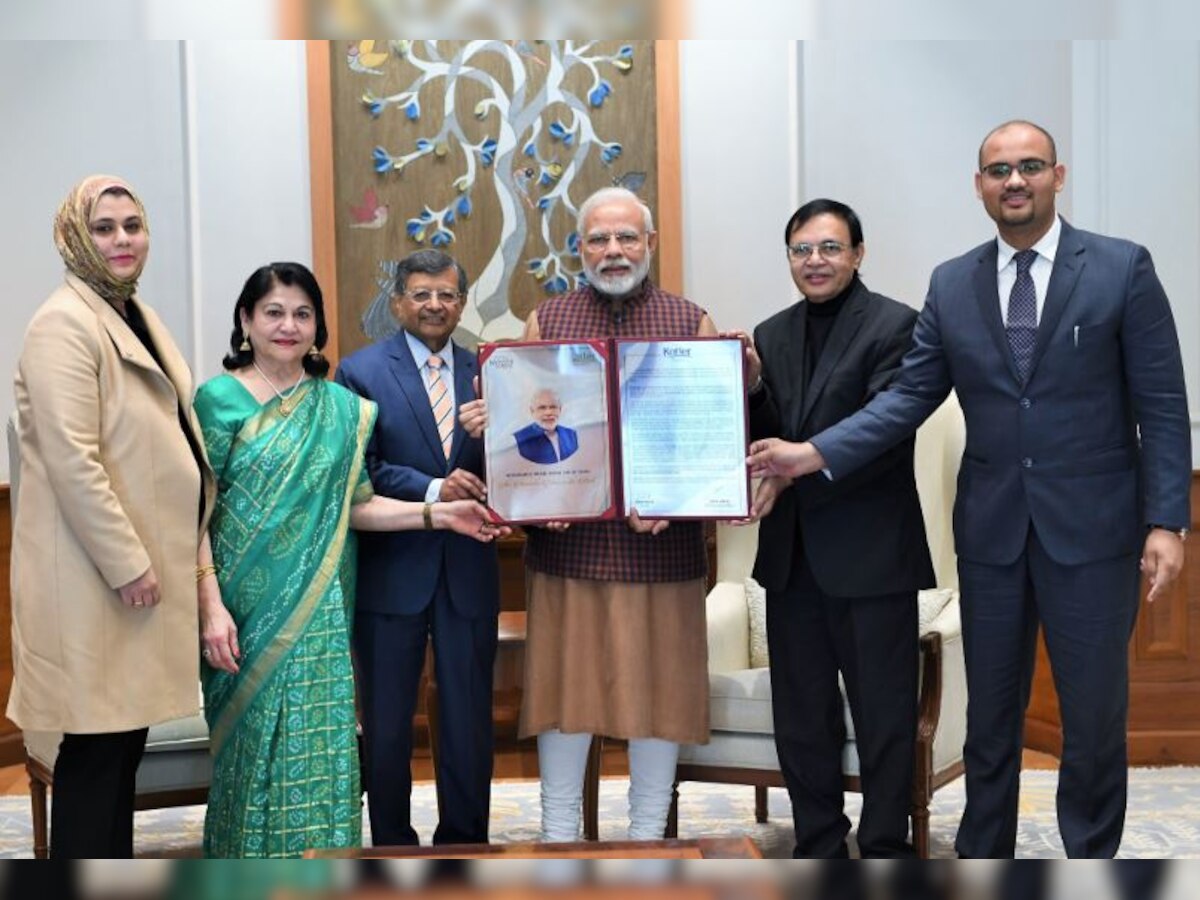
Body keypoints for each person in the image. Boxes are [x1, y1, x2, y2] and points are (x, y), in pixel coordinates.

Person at [748, 121, 1191, 858]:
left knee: (1091, 714)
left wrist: (1167, 521)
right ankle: (986, 854)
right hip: (990, 534)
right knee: (990, 715)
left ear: (1057, 175)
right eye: (997, 170)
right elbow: (906, 399)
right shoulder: (953, 283)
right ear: (979, 185)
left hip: (1095, 533)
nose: (1013, 181)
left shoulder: (1120, 269)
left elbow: (1164, 405)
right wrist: (814, 453)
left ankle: (1090, 856)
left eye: (1028, 167)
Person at [195, 261, 501, 858]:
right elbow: (192, 510)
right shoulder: (219, 400)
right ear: (246, 320)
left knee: (326, 741)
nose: (288, 326)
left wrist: (443, 511)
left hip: (326, 603)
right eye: (274, 313)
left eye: (302, 314)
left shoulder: (338, 404)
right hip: (251, 606)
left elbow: (356, 501)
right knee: (291, 737)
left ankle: (332, 866)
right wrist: (209, 601)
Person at [461, 186, 718, 841]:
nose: (613, 251)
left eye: (627, 237)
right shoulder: (546, 323)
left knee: (661, 695)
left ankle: (645, 834)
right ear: (579, 249)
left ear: (650, 244)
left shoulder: (692, 324)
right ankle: (559, 830)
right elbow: (522, 431)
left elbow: (705, 438)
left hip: (664, 547)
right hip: (569, 546)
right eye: (599, 239)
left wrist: (678, 500)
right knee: (562, 691)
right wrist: (499, 428)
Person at [8, 174, 216, 858]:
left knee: (120, 752)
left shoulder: (130, 312)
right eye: (105, 228)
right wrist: (128, 562)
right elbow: (73, 460)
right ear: (74, 236)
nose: (123, 239)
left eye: (133, 225)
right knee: (95, 759)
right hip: (94, 583)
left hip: (127, 584)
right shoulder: (62, 324)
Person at [746, 199, 934, 857]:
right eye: (802, 250)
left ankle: (885, 846)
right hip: (791, 556)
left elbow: (887, 424)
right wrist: (746, 389)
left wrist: (801, 459)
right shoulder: (768, 334)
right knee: (801, 719)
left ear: (857, 253)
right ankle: (819, 843)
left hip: (872, 555)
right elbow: (768, 431)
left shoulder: (896, 325)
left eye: (829, 248)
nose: (815, 261)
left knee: (884, 717)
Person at [334, 249, 500, 847]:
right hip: (391, 570)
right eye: (422, 294)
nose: (435, 304)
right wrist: (435, 488)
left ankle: (463, 841)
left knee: (467, 717)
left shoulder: (490, 370)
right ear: (399, 302)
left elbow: (520, 465)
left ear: (461, 302)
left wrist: (496, 438)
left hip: (469, 571)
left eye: (448, 294)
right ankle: (392, 842)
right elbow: (361, 469)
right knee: (385, 722)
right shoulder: (359, 373)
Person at [513, 388, 579, 464]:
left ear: (560, 409)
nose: (548, 412)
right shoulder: (519, 439)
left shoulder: (571, 435)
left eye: (553, 407)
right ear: (532, 411)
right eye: (542, 408)